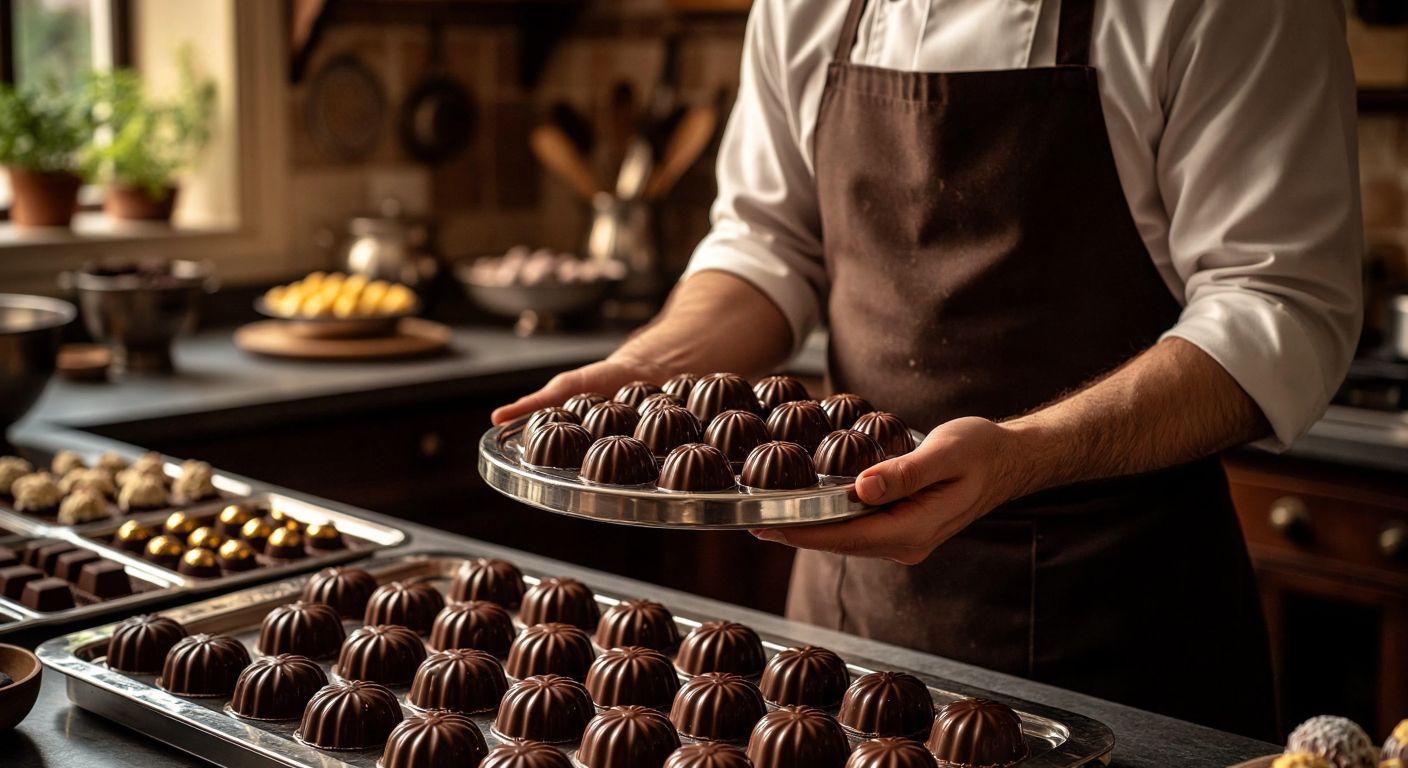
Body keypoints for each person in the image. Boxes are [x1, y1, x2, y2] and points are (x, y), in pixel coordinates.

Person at [495, 0, 1362, 739]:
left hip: (1117, 623)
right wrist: (648, 367)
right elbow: (768, 246)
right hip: (842, 619)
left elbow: (1278, 301)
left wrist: (1022, 454)